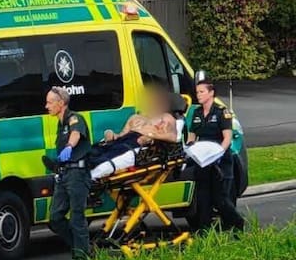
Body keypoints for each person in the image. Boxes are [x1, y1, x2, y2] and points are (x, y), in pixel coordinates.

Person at [41, 86, 93, 260]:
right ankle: (84, 250)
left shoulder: (74, 118)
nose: (46, 106)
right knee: (55, 218)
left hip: (77, 175)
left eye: (49, 102)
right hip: (64, 175)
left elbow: (76, 133)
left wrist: (70, 146)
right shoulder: (60, 123)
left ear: (60, 103)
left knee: (77, 218)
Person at [186, 80, 246, 234]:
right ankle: (204, 231)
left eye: (201, 92)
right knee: (203, 196)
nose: (198, 95)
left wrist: (218, 153)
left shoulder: (222, 112)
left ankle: (237, 224)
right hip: (203, 159)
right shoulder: (197, 113)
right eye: (197, 92)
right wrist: (190, 148)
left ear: (211, 93)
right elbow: (192, 136)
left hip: (220, 159)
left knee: (221, 198)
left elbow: (227, 138)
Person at [88, 86, 181, 180]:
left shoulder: (167, 118)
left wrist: (152, 137)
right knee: (94, 151)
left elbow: (173, 137)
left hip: (136, 143)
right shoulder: (135, 118)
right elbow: (122, 134)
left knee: (104, 160)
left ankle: (86, 175)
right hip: (125, 139)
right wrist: (112, 135)